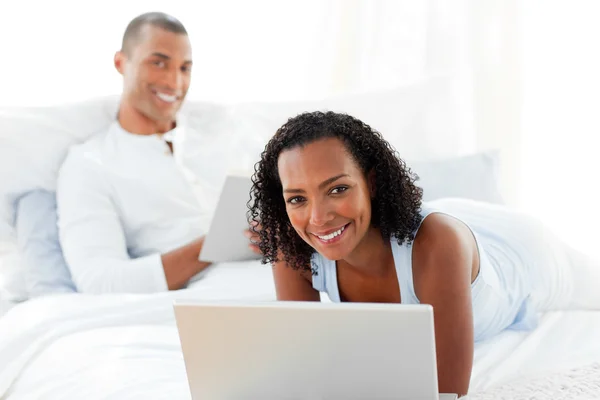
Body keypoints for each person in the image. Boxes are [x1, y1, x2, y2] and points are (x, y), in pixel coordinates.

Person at [248, 111, 600, 396]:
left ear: (371, 183)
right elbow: (303, 365)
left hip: (520, 251)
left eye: (337, 189)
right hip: (437, 224)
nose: (318, 217)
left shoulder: (438, 246)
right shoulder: (292, 247)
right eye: (297, 198)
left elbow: (448, 392)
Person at [57, 12, 253, 294]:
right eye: (158, 63)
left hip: (288, 271)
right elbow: (100, 282)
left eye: (185, 68)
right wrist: (217, 245)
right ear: (121, 63)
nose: (174, 82)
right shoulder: (89, 164)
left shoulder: (222, 131)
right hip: (206, 297)